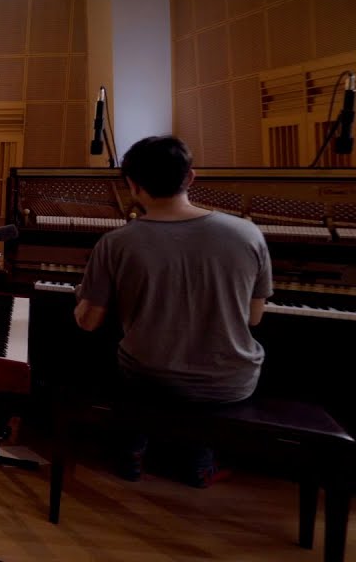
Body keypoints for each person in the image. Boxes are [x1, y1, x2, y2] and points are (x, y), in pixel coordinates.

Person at [73, 135, 273, 487]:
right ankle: (200, 461)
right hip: (231, 383)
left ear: (132, 186)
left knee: (119, 356)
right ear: (191, 177)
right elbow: (254, 318)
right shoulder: (248, 233)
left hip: (149, 378)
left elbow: (89, 323)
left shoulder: (116, 242)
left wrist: (81, 299)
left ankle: (132, 449)